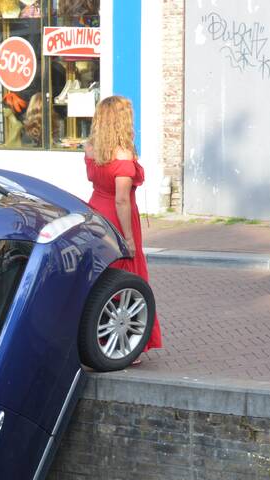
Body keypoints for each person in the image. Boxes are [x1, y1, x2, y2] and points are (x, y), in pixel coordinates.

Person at [84, 95, 163, 361]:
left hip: (96, 212)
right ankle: (127, 345)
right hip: (117, 218)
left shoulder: (91, 148)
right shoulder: (123, 155)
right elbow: (121, 200)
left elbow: (97, 182)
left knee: (101, 278)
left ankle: (98, 340)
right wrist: (128, 238)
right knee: (126, 279)